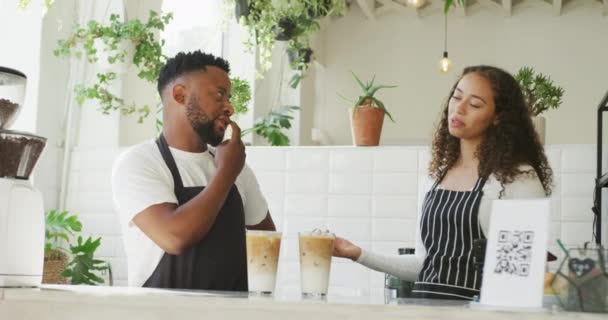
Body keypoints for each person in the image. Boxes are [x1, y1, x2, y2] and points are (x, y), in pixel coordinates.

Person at [333, 65, 553, 301]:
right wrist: (358, 254)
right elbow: (423, 263)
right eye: (456, 97)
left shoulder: (518, 178)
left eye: (475, 104)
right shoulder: (435, 177)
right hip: (425, 310)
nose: (459, 108)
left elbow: (525, 272)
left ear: (498, 117)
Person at [112, 51, 275, 291]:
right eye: (220, 95)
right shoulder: (139, 162)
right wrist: (226, 173)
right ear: (180, 95)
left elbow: (266, 245)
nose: (229, 107)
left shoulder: (237, 167)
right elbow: (174, 237)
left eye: (229, 97)